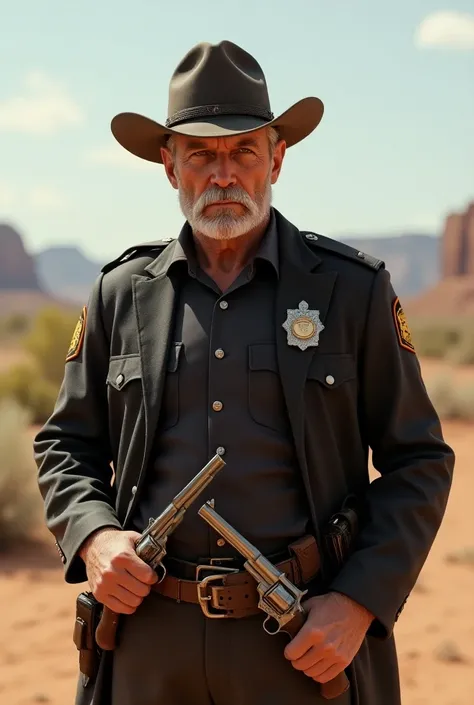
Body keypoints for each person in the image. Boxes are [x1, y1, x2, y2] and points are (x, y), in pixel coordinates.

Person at [33, 40, 454, 705]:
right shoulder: (121, 293)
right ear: (169, 167)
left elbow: (420, 460)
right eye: (199, 155)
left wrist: (356, 602)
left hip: (300, 643)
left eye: (243, 153)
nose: (221, 174)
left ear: (277, 160)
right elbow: (65, 444)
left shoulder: (352, 290)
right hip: (148, 643)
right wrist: (95, 537)